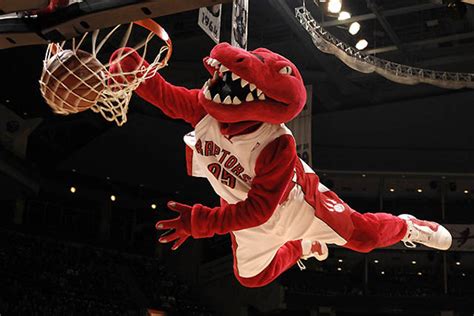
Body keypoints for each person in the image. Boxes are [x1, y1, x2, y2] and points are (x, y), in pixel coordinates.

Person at [110, 43, 452, 288]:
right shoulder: (205, 110)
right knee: (251, 278)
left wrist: (200, 221)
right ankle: (302, 248)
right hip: (243, 212)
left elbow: (259, 209)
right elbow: (166, 96)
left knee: (364, 237)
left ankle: (408, 226)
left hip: (296, 208)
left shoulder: (278, 144)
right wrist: (133, 68)